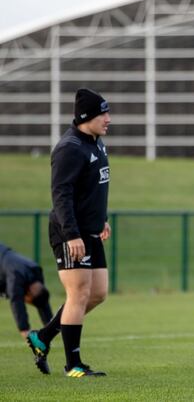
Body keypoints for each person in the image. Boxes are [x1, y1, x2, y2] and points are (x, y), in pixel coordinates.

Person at [26, 87, 112, 378]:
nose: (108, 119)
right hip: (70, 232)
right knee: (78, 294)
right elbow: (60, 195)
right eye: (103, 113)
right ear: (87, 116)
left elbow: (93, 189)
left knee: (98, 293)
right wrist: (72, 234)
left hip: (91, 230)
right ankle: (73, 365)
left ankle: (44, 337)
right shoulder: (69, 148)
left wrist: (102, 218)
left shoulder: (97, 143)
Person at [0, 243, 53, 342]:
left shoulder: (36, 272)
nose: (26, 301)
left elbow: (42, 300)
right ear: (28, 293)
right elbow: (16, 300)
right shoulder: (17, 276)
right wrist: (24, 329)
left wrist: (51, 325)